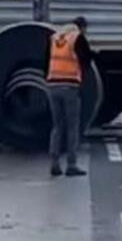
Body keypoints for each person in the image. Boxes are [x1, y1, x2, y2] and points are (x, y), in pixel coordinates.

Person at [46, 16, 92, 177]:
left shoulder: (55, 38)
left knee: (57, 126)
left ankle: (54, 163)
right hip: (70, 87)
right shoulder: (77, 38)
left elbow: (47, 60)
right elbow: (87, 60)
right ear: (82, 27)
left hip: (52, 86)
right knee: (72, 127)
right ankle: (71, 165)